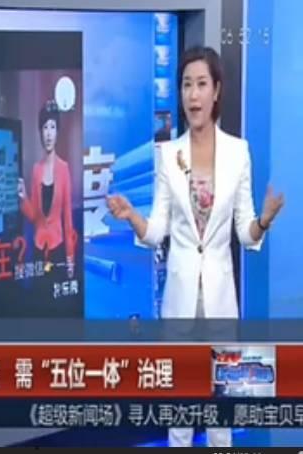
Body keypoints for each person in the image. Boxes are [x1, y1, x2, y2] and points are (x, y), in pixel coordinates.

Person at [107, 46, 284, 447]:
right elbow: (156, 231)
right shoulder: (169, 156)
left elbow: (245, 233)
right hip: (180, 299)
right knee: (181, 412)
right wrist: (132, 216)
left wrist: (264, 220)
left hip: (220, 298)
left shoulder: (238, 152)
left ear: (216, 91)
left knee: (222, 411)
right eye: (186, 85)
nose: (193, 95)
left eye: (201, 84)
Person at [18, 101, 77, 281]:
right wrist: (23, 197)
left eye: (52, 127)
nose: (49, 134)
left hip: (57, 248)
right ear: (40, 132)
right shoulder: (36, 170)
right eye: (45, 128)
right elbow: (35, 216)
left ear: (57, 132)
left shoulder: (64, 169)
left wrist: (70, 258)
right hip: (38, 248)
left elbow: (68, 220)